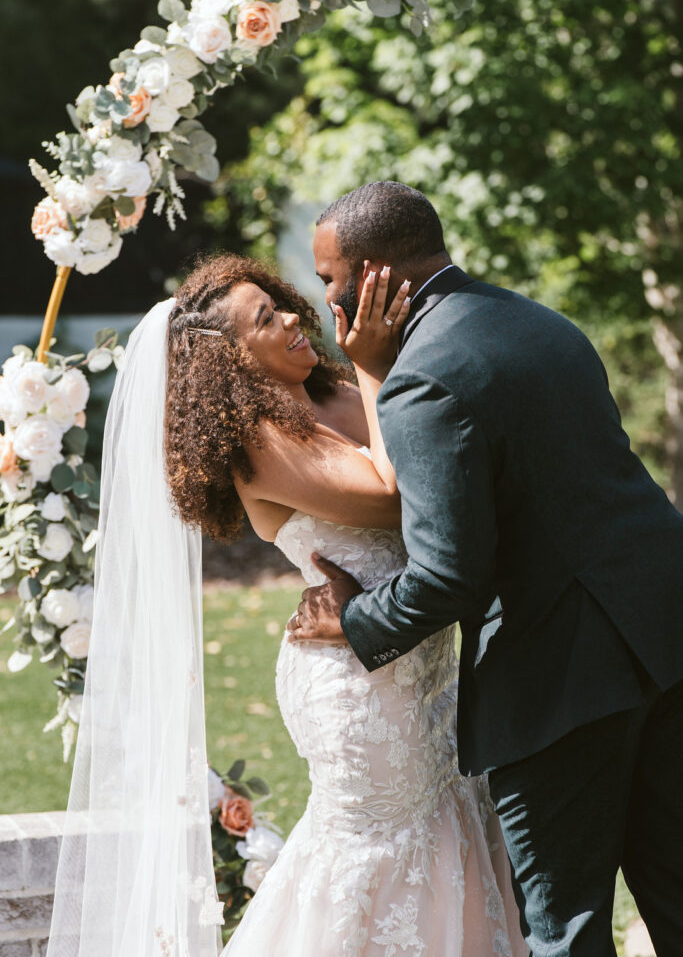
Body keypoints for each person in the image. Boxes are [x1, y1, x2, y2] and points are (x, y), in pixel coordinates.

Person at [46, 251, 527, 957]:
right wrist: (375, 364)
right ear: (231, 361)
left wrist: (361, 372)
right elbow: (390, 492)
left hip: (425, 665)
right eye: (266, 320)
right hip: (356, 686)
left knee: (452, 825)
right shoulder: (257, 441)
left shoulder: (332, 388)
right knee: (379, 855)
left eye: (280, 302)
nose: (295, 318)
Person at [292, 180, 683, 957]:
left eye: (330, 278)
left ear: (373, 277)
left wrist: (353, 618)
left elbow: (447, 576)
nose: (326, 298)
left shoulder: (422, 379)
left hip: (558, 676)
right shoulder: (539, 322)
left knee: (563, 927)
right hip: (663, 636)